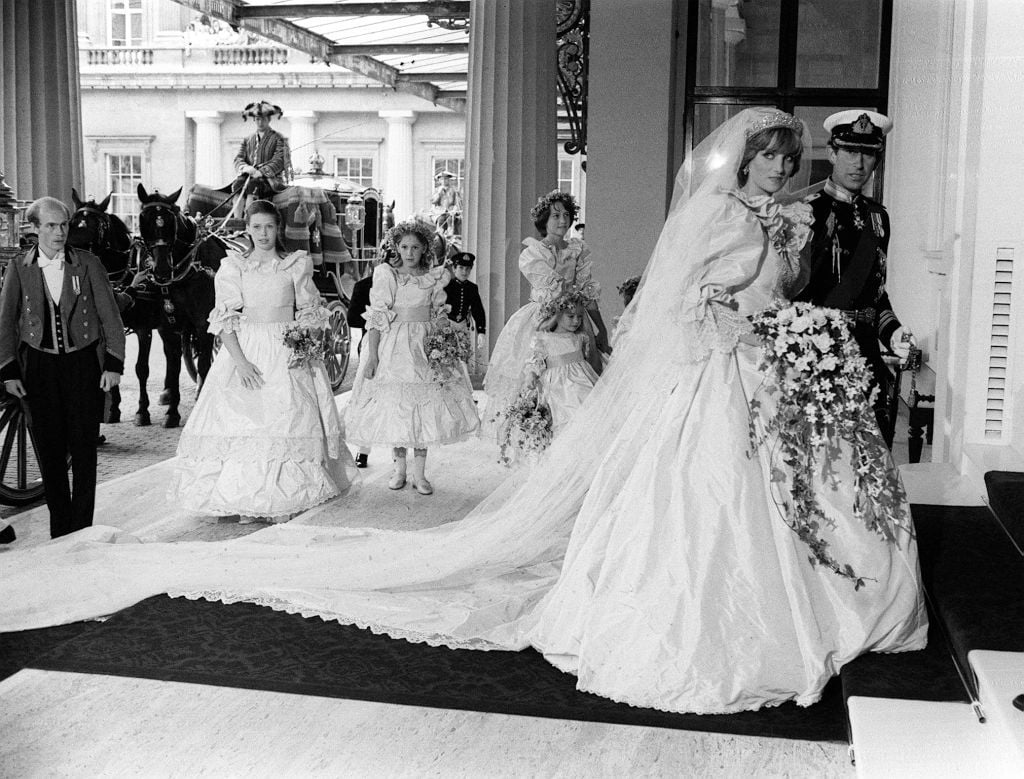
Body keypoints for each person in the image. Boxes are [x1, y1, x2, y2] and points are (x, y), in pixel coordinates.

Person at [0, 110, 926, 720]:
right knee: (703, 502)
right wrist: (736, 318)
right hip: (715, 377)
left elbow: (779, 291)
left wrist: (789, 307)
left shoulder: (794, 220)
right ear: (750, 161)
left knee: (772, 499)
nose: (781, 172)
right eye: (775, 160)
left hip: (761, 377)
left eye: (788, 164)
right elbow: (681, 305)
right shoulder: (719, 217)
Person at [167, 200, 357, 521]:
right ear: (248, 229)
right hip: (249, 348)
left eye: (269, 226)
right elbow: (225, 320)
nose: (263, 234)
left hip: (286, 348)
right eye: (257, 227)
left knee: (287, 417)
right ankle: (243, 499)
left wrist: (303, 347)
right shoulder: (234, 267)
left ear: (278, 228)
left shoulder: (295, 265)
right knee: (244, 419)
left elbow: (309, 311)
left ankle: (280, 499)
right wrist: (240, 362)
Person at [0, 197, 125, 538]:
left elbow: (110, 317)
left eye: (63, 225)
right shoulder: (19, 267)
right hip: (38, 368)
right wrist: (9, 371)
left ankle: (82, 529)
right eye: (51, 225)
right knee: (50, 451)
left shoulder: (87, 264)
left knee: (84, 449)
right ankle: (60, 531)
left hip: (83, 364)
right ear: (35, 228)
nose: (59, 232)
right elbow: (5, 322)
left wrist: (112, 364)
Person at [794, 110, 915, 436]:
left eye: (868, 154)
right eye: (850, 152)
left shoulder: (879, 219)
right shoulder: (806, 212)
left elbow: (877, 295)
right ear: (832, 153)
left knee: (869, 464)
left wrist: (893, 333)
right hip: (819, 354)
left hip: (866, 356)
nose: (859, 164)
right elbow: (790, 291)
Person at [344, 220, 479, 495]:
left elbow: (439, 313)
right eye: (404, 247)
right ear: (396, 248)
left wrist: (446, 344)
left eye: (415, 247)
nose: (409, 252)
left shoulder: (433, 278)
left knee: (422, 410)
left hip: (424, 345)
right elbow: (378, 318)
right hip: (395, 346)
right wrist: (371, 358)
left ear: (425, 249)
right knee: (399, 408)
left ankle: (420, 474)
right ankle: (399, 469)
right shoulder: (387, 275)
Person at [483, 190, 609, 420]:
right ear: (544, 221)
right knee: (539, 373)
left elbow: (587, 291)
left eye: (566, 215)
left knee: (580, 378)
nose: (563, 220)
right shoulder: (535, 252)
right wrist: (570, 298)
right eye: (555, 216)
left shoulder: (577, 249)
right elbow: (554, 289)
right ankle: (537, 429)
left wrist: (600, 328)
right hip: (544, 318)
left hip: (574, 318)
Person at [521, 288, 599, 434]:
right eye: (571, 316)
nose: (576, 321)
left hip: (582, 381)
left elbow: (587, 359)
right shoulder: (544, 339)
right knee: (566, 417)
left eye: (580, 317)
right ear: (557, 315)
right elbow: (535, 360)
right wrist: (531, 374)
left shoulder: (580, 337)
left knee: (587, 409)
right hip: (558, 386)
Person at [231, 101, 289, 219]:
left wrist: (261, 172)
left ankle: (249, 220)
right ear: (254, 120)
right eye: (257, 119)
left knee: (253, 185)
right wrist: (245, 167)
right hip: (248, 175)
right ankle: (237, 221)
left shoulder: (278, 138)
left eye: (263, 119)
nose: (260, 122)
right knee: (237, 184)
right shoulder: (248, 139)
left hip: (271, 180)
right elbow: (238, 158)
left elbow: (280, 160)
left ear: (268, 120)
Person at [443, 251, 486, 338]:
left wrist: (481, 331)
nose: (464, 272)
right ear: (454, 269)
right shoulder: (446, 286)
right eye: (461, 268)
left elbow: (478, 310)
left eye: (467, 268)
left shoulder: (472, 288)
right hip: (446, 325)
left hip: (463, 326)